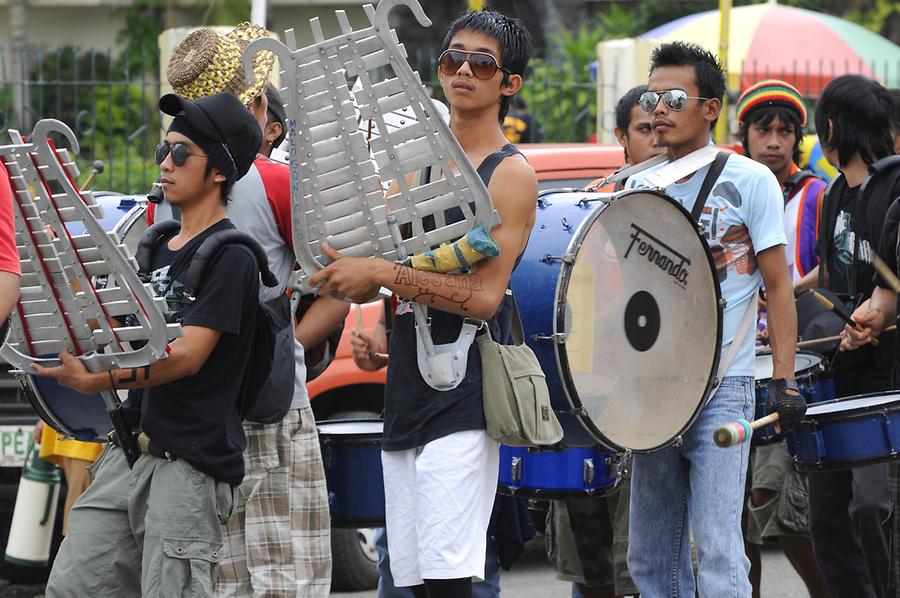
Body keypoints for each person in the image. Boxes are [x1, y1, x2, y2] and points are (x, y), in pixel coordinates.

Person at [309, 9, 538, 597]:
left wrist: (384, 272)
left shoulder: (509, 175)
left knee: (448, 581)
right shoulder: (412, 167)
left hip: (463, 392)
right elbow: (382, 268)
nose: (462, 70)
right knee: (408, 579)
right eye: (451, 58)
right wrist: (360, 280)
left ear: (508, 83)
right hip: (407, 389)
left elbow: (485, 297)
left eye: (481, 63)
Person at [35, 91, 263, 597]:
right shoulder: (156, 245)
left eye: (181, 153)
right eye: (164, 149)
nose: (165, 162)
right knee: (72, 587)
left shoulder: (233, 259)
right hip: (128, 452)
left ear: (220, 170)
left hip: (189, 468)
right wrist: (63, 263)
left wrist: (101, 379)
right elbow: (113, 329)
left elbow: (185, 356)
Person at [155, 23, 349, 597]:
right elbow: (342, 283)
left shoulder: (163, 192)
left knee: (217, 574)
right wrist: (284, 342)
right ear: (258, 104)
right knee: (288, 572)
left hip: (196, 412)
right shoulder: (279, 183)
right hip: (272, 408)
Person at [623, 42, 799, 597]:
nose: (660, 109)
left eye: (676, 97)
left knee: (721, 553)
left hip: (725, 386)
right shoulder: (634, 187)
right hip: (651, 388)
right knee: (648, 557)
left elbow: (778, 286)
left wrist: (785, 380)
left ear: (711, 108)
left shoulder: (750, 180)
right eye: (653, 96)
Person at [545, 84, 662, 598]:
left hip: (653, 406)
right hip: (587, 396)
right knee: (589, 566)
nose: (658, 140)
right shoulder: (589, 203)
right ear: (622, 137)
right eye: (645, 129)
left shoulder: (686, 207)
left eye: (665, 128)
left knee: (640, 563)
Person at [734, 79, 830, 598]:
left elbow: (830, 262)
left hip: (792, 366)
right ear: (743, 134)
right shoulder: (730, 187)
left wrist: (785, 290)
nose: (773, 140)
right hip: (733, 364)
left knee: (777, 503)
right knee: (738, 518)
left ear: (798, 138)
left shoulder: (815, 193)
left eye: (784, 131)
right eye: (762, 129)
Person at [803, 74, 898, 598]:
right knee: (828, 522)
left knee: (873, 510)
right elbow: (836, 272)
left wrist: (879, 314)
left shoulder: (896, 187)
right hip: (836, 379)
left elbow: (889, 282)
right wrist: (786, 288)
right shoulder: (833, 195)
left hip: (888, 381)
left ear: (830, 128)